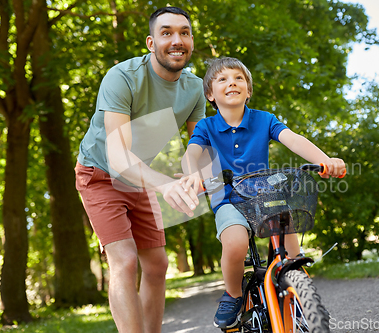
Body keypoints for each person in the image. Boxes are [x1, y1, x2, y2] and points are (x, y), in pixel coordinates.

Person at [181, 57, 346, 329]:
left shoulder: (264, 119)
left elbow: (293, 139)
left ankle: (299, 294)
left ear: (248, 90)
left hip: (265, 197)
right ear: (210, 94)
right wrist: (191, 175)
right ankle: (233, 294)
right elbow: (193, 153)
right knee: (234, 242)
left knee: (291, 250)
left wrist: (326, 160)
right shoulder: (206, 127)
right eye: (222, 79)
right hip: (228, 198)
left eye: (238, 78)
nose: (231, 82)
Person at [74, 7, 205, 333]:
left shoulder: (195, 88)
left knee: (158, 265)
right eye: (167, 33)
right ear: (150, 42)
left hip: (140, 176)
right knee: (125, 260)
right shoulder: (122, 77)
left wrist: (195, 174)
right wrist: (165, 185)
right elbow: (118, 157)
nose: (177, 40)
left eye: (184, 32)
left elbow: (198, 144)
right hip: (100, 173)